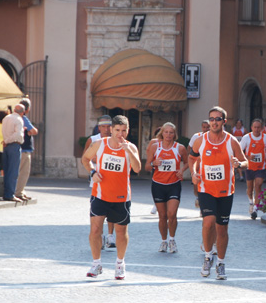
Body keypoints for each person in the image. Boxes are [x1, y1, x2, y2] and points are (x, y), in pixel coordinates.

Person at [189, 106, 248, 280]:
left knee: (222, 229)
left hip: (225, 191)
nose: (214, 122)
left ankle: (221, 263)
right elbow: (192, 157)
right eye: (211, 119)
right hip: (206, 189)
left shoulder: (231, 142)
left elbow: (246, 162)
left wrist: (239, 164)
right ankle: (208, 257)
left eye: (217, 119)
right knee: (208, 223)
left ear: (224, 121)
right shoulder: (201, 140)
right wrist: (193, 173)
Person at [81, 115, 141, 280]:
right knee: (95, 229)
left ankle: (120, 263)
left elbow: (137, 169)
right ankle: (96, 263)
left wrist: (129, 151)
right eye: (117, 130)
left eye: (123, 130)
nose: (120, 134)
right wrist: (93, 172)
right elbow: (85, 159)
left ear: (127, 131)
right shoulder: (100, 144)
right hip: (100, 195)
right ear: (111, 129)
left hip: (121, 197)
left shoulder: (131, 147)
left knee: (121, 232)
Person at [145, 122, 188, 253]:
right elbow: (146, 166)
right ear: (162, 133)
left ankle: (172, 239)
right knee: (162, 215)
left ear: (175, 134)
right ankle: (163, 241)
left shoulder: (179, 148)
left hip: (174, 184)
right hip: (158, 184)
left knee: (172, 214)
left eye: (171, 132)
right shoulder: (154, 147)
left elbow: (188, 162)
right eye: (166, 132)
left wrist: (182, 170)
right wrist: (153, 163)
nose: (168, 135)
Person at [84, 115, 116, 248]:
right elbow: (85, 158)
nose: (106, 129)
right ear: (99, 127)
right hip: (98, 179)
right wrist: (92, 171)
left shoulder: (116, 140)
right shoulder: (93, 140)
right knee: (99, 208)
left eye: (109, 126)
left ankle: (110, 235)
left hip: (113, 178)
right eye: (103, 126)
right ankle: (100, 235)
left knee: (113, 207)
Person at [240, 118, 266, 220]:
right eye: (255, 127)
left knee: (258, 185)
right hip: (249, 166)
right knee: (250, 188)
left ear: (262, 128)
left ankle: (255, 209)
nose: (257, 129)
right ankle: (251, 202)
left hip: (261, 166)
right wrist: (248, 157)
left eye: (258, 127)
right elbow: (239, 151)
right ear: (251, 128)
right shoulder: (246, 138)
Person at [15, 98, 39, 201]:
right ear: (27, 109)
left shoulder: (14, 118)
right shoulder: (24, 118)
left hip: (18, 148)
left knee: (18, 171)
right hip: (25, 150)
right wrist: (30, 132)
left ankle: (20, 191)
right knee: (24, 172)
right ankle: (19, 192)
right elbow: (34, 131)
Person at [1, 104, 26, 202]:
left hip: (6, 146)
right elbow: (18, 134)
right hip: (14, 145)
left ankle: (6, 193)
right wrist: (7, 140)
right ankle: (10, 194)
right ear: (22, 112)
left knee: (7, 171)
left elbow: (3, 131)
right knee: (13, 171)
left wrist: (5, 140)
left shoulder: (6, 118)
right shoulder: (19, 119)